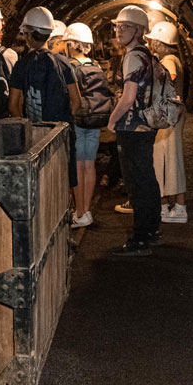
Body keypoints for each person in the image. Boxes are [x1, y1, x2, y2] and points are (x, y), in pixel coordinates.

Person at [107, 5, 160, 256]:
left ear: (139, 31)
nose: (119, 30)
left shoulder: (131, 57)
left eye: (126, 27)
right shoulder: (147, 54)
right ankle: (151, 229)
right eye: (117, 26)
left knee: (136, 182)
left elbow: (128, 97)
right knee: (147, 177)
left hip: (132, 125)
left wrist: (112, 119)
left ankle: (140, 239)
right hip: (147, 124)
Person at [8, 7, 81, 187]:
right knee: (61, 180)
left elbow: (13, 105)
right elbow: (77, 102)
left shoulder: (21, 65)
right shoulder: (64, 63)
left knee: (39, 182)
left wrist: (29, 126)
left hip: (35, 135)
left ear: (29, 34)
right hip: (61, 133)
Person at [63, 22, 111, 229]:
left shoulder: (69, 66)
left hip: (77, 119)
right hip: (94, 119)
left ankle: (79, 211)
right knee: (88, 164)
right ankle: (87, 210)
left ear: (72, 44)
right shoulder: (96, 65)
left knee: (77, 165)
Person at [146, 21, 187, 223]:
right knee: (169, 159)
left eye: (154, 41)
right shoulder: (174, 58)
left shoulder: (169, 59)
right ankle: (174, 205)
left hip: (168, 115)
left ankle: (174, 207)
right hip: (172, 114)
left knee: (165, 160)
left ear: (162, 43)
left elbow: (169, 77)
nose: (152, 44)